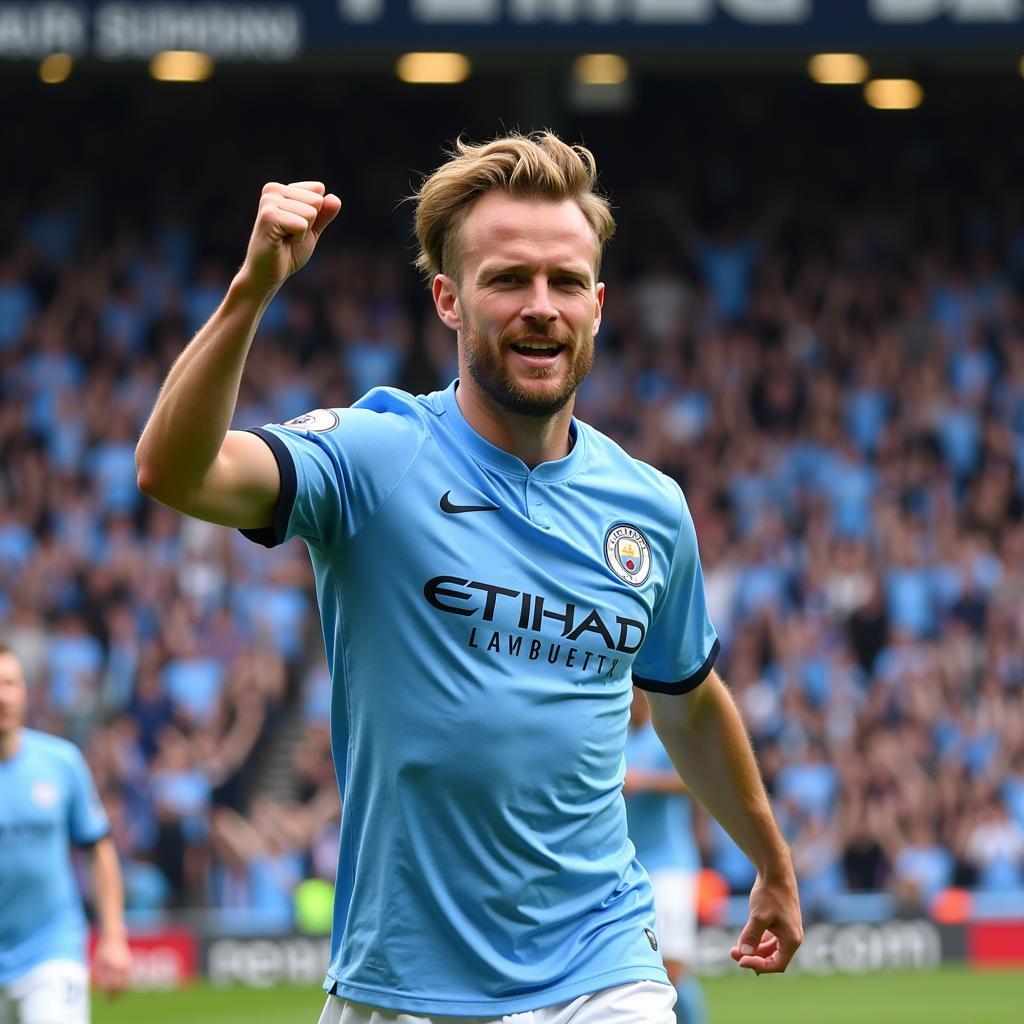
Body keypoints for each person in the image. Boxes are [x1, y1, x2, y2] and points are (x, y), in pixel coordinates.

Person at [136, 131, 802, 1023]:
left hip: (605, 968)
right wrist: (250, 294)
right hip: (402, 982)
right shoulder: (377, 456)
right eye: (507, 280)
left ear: (598, 304)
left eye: (566, 282)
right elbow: (177, 473)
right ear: (448, 299)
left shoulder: (650, 509)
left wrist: (772, 860)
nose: (542, 306)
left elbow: (686, 698)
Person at [0, 643, 132, 1024]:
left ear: (25, 691)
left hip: (50, 951)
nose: (2, 696)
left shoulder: (61, 763)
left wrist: (113, 935)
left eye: (10, 683)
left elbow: (98, 848)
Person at [623, 688, 706, 1024]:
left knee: (672, 969)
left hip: (671, 865)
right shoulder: (616, 738)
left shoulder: (665, 736)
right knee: (639, 972)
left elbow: (696, 780)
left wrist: (646, 782)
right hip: (628, 868)